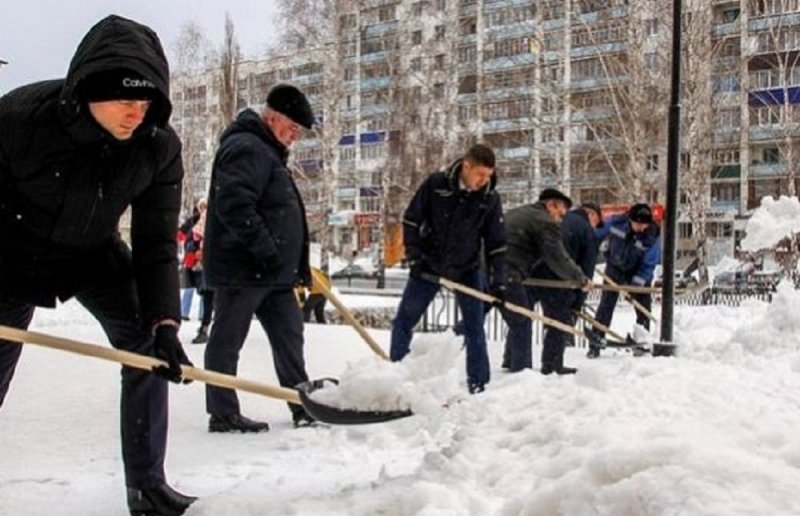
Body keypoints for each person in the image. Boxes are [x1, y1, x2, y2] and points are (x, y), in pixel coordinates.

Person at [0, 15, 195, 516]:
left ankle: (147, 486)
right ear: (88, 90)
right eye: (126, 100)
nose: (137, 113)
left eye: (147, 102)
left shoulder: (158, 147)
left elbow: (156, 244)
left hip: (91, 251)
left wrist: (165, 321)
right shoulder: (20, 119)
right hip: (10, 251)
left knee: (147, 348)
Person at [202, 84, 316, 432]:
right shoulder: (247, 147)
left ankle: (303, 404)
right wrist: (266, 250)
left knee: (289, 338)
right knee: (227, 339)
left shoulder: (267, 152)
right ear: (272, 118)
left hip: (273, 274)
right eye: (292, 128)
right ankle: (223, 413)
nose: (294, 136)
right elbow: (235, 204)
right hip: (244, 268)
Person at [389, 144, 507, 394]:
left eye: (488, 175)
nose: (485, 181)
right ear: (467, 166)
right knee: (405, 320)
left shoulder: (489, 197)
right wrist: (414, 257)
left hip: (468, 267)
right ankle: (397, 374)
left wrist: (500, 279)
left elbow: (496, 243)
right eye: (480, 174)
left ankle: (478, 383)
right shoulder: (436, 185)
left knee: (475, 326)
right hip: (429, 264)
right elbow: (412, 219)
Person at [501, 189, 593, 374]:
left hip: (493, 269)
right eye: (560, 213)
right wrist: (581, 280)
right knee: (522, 320)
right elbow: (557, 257)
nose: (561, 219)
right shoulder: (545, 222)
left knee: (479, 315)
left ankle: (448, 343)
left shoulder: (520, 212)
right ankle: (523, 372)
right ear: (551, 204)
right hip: (510, 272)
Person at [529, 202, 603, 373]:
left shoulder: (558, 218)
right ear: (591, 214)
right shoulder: (585, 230)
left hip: (534, 271)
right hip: (558, 277)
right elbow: (587, 270)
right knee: (559, 319)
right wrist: (577, 302)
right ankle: (552, 364)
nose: (595, 227)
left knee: (523, 315)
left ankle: (513, 359)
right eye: (596, 222)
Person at [587, 203, 661, 358]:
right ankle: (596, 341)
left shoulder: (651, 236)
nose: (641, 228)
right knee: (606, 305)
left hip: (638, 272)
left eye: (644, 225)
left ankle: (641, 341)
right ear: (630, 220)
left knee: (642, 308)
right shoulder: (616, 223)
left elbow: (649, 264)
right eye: (637, 224)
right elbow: (597, 234)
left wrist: (635, 285)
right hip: (614, 268)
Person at [189, 199, 214, 344]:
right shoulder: (208, 218)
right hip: (211, 261)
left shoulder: (205, 218)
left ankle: (206, 326)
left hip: (209, 262)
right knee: (210, 295)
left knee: (209, 295)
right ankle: (206, 325)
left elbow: (195, 235)